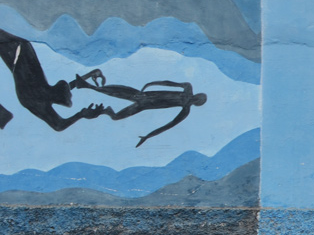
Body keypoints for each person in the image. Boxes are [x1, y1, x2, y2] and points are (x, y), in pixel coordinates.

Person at [0, 29, 106, 131]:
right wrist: (91, 73)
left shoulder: (38, 99)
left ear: (58, 94)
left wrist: (81, 115)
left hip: (15, 47)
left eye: (68, 93)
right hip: (15, 47)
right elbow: (59, 125)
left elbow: (58, 125)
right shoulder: (46, 94)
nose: (69, 91)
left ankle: (3, 116)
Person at [70, 70, 207, 147]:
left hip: (142, 105)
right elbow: (169, 83)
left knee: (116, 116)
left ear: (197, 104)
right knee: (109, 91)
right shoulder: (188, 88)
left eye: (198, 100)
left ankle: (106, 110)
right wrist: (151, 83)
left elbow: (168, 125)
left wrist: (148, 136)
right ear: (198, 94)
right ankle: (85, 84)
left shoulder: (185, 110)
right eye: (199, 97)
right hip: (141, 95)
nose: (196, 99)